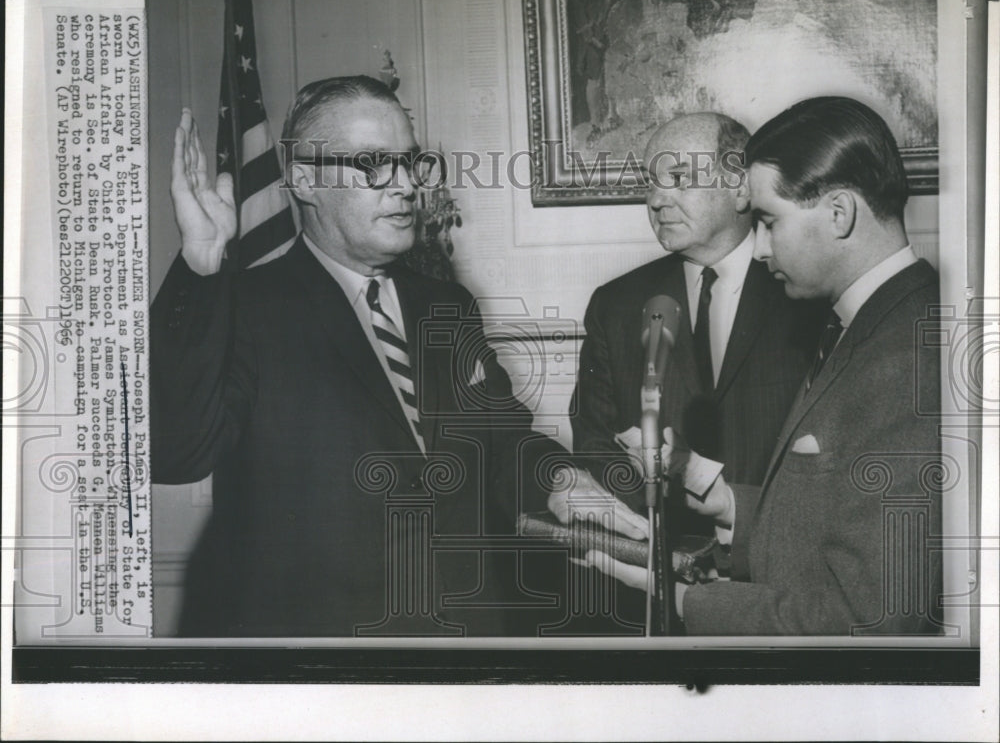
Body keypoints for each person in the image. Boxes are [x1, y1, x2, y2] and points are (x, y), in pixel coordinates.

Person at [151, 75, 560, 637]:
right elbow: (176, 452)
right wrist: (201, 262)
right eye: (373, 163)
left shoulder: (449, 304)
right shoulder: (248, 308)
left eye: (410, 163)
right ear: (303, 180)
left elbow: (505, 440)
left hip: (465, 642)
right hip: (326, 664)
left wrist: (564, 481)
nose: (405, 187)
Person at [587, 96, 944, 635]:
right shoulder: (876, 323)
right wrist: (725, 501)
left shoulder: (905, 357)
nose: (758, 248)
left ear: (840, 213)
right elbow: (829, 524)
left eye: (770, 222)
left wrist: (681, 600)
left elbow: (870, 620)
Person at [548, 112, 824, 627]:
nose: (655, 200)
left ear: (740, 187)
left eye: (678, 179)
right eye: (650, 184)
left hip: (787, 588)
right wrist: (651, 543)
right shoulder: (616, 304)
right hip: (652, 584)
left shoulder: (809, 296)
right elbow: (595, 440)